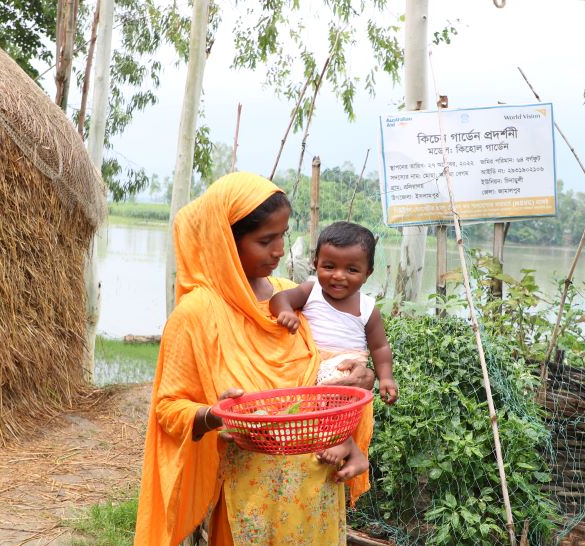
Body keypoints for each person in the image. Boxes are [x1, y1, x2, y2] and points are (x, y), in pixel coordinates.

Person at [134, 173, 375, 546]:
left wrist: (363, 376)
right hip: (246, 492)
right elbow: (168, 407)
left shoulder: (290, 297)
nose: (280, 250)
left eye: (283, 235)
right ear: (226, 242)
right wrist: (213, 415)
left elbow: (329, 365)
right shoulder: (198, 313)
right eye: (266, 240)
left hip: (315, 481)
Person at [268, 222, 396, 475]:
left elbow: (380, 347)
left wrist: (386, 378)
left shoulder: (368, 308)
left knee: (335, 392)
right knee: (309, 404)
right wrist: (285, 312)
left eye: (351, 269)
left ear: (368, 272)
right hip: (312, 360)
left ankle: (346, 444)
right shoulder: (310, 290)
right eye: (329, 266)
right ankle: (349, 450)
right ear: (316, 263)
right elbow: (279, 298)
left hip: (346, 363)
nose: (338, 275)